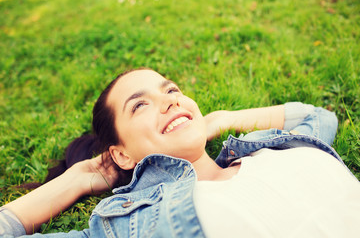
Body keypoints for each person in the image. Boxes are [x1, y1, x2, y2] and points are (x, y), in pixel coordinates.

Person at [1, 68, 359, 237]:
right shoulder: (135, 225)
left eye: (170, 89)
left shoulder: (266, 149)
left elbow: (317, 118)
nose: (170, 99)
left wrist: (220, 121)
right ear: (122, 155)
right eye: (139, 106)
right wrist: (78, 179)